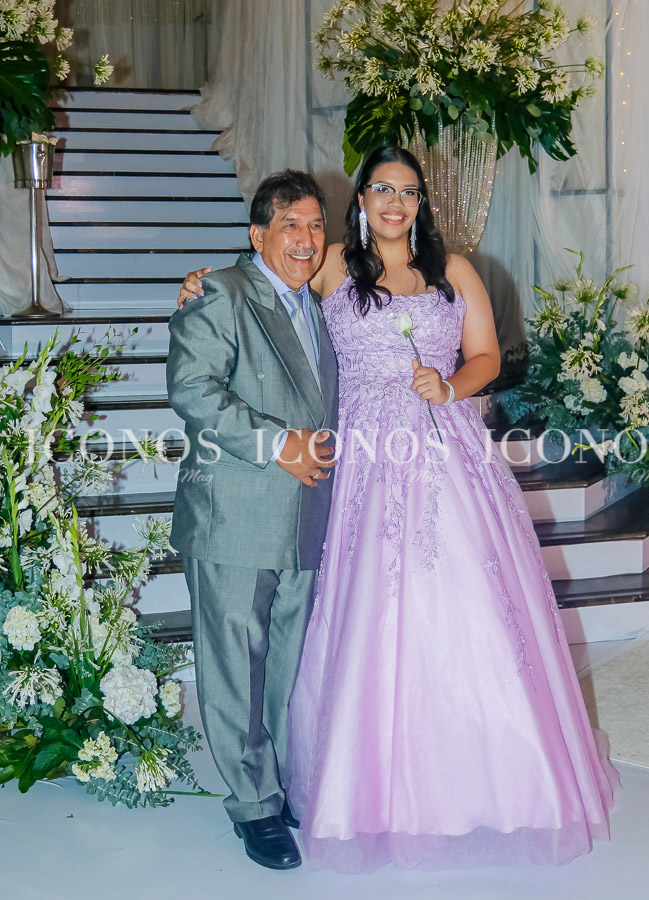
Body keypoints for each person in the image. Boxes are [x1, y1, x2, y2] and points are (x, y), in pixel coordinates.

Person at [176, 146, 620, 874]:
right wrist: (201, 281)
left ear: (421, 204)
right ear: (360, 201)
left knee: (463, 607)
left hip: (443, 453)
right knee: (360, 612)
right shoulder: (331, 265)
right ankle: (319, 785)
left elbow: (486, 357)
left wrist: (449, 386)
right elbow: (269, 276)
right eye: (381, 188)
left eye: (408, 192)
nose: (394, 202)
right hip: (356, 459)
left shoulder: (455, 270)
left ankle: (479, 775)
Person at [167, 169, 338, 871]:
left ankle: (282, 783)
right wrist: (277, 444)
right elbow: (192, 389)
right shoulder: (222, 292)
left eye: (315, 225)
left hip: (306, 515)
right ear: (257, 234)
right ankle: (253, 806)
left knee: (288, 663)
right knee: (236, 663)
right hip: (234, 511)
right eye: (290, 224)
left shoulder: (318, 305)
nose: (305, 239)